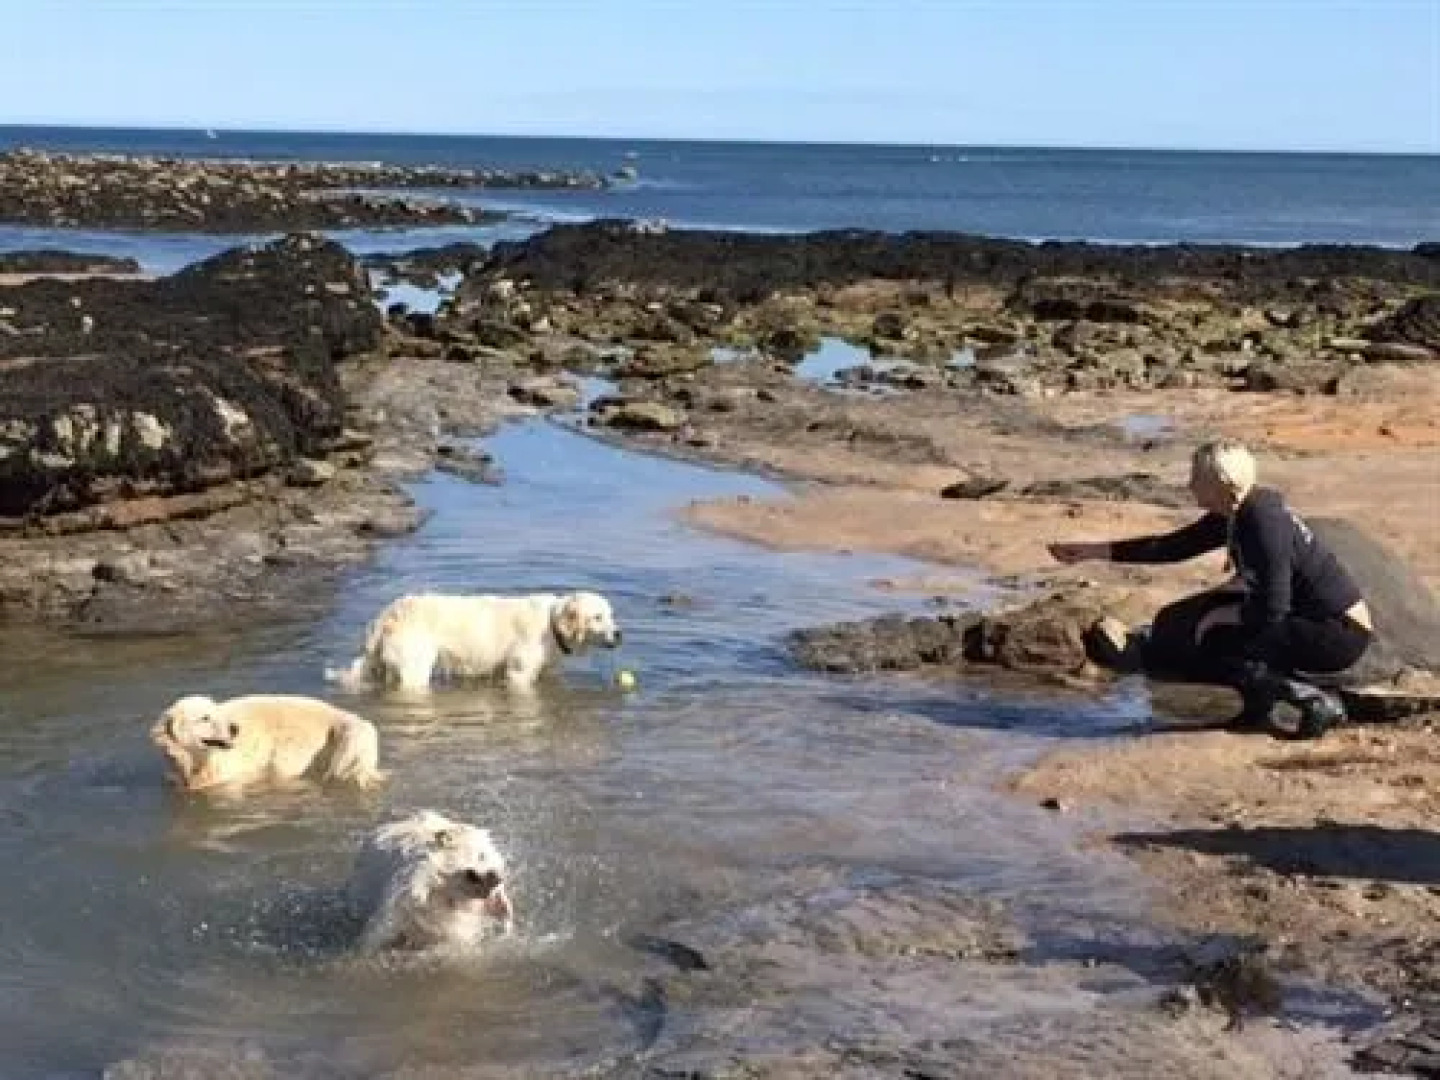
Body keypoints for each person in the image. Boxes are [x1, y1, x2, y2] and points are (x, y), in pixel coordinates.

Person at [1048, 439, 1373, 738]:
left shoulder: (1263, 525)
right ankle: (1259, 709)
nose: (1189, 485)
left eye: (1196, 478)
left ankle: (1310, 700)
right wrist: (1094, 552)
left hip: (1336, 634)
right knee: (1188, 624)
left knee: (1215, 637)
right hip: (1312, 618)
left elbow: (1274, 606)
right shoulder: (1239, 509)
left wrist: (1222, 616)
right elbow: (1172, 547)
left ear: (1222, 484)